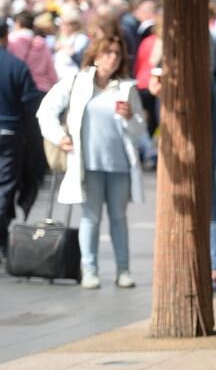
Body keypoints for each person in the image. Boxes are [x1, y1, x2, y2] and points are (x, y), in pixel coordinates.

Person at [37, 35, 147, 289]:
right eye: (107, 52)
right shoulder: (76, 82)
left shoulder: (125, 88)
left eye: (117, 53)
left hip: (119, 164)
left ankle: (123, 270)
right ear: (95, 55)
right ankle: (89, 269)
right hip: (87, 164)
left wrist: (131, 117)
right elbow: (46, 110)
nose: (112, 57)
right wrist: (59, 137)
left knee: (119, 217)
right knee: (90, 218)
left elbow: (139, 129)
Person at [0, 20, 44, 266]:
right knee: (4, 189)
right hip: (10, 134)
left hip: (11, 132)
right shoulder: (17, 66)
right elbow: (30, 107)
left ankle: (3, 243)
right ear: (6, 36)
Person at [7, 11, 57, 92]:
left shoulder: (10, 41)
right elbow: (50, 70)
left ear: (18, 23)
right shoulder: (42, 43)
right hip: (41, 88)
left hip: (19, 88)